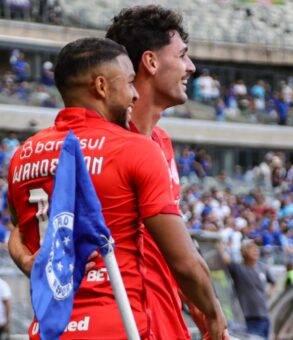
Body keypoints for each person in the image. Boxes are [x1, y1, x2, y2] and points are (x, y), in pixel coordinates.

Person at [7, 37, 227, 339]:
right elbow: (184, 261)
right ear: (101, 86)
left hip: (50, 328)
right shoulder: (134, 149)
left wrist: (25, 261)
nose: (135, 94)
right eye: (129, 83)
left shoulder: (24, 154)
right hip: (119, 323)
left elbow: (19, 232)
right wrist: (213, 315)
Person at [106, 6, 206, 339]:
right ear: (150, 62)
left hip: (166, 324)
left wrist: (200, 308)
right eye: (182, 56)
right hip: (126, 323)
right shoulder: (108, 146)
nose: (191, 67)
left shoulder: (161, 142)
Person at [222, 240, 275, 339]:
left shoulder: (262, 267)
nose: (256, 251)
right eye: (252, 249)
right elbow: (225, 259)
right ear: (244, 252)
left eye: (257, 249)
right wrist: (218, 242)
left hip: (265, 316)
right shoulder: (239, 268)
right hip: (249, 319)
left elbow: (273, 282)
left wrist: (269, 294)